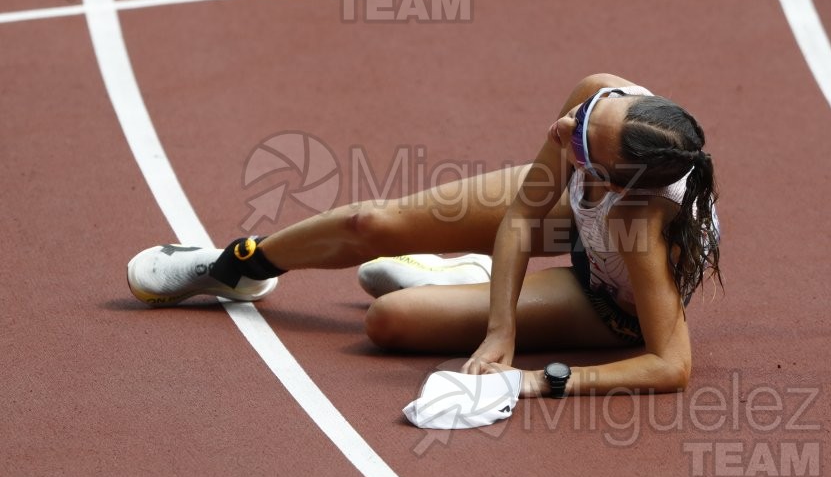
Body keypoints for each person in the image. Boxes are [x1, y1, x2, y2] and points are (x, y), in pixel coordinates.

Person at [127, 73, 721, 399]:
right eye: (589, 113)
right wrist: (500, 329)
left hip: (606, 298)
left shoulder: (640, 224)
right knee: (373, 224)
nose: (566, 126)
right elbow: (520, 216)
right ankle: (238, 266)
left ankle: (466, 277)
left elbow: (671, 366)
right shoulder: (602, 103)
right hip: (577, 207)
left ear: (622, 180)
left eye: (583, 140)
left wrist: (539, 380)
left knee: (389, 321)